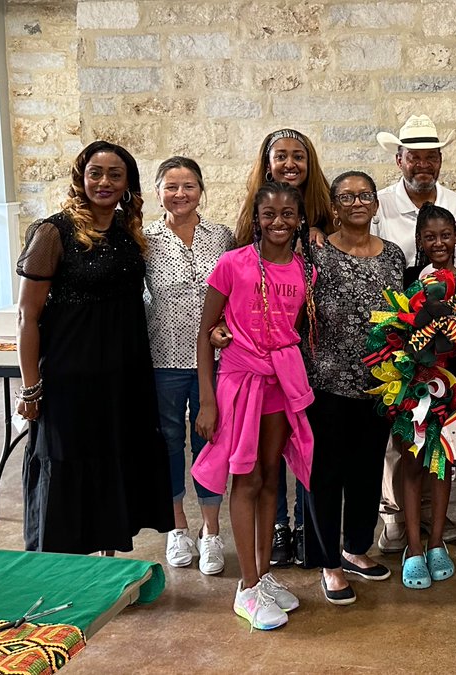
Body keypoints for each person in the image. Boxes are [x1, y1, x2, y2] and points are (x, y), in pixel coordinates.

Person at [15, 140, 173, 554]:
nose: (103, 182)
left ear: (128, 184)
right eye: (95, 173)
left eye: (114, 175)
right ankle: (67, 565)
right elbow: (26, 316)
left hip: (124, 370)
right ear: (81, 177)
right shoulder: (53, 232)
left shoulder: (127, 230)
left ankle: (108, 556)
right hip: (72, 371)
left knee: (117, 455)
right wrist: (30, 387)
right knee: (68, 459)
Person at [192, 181, 316, 630]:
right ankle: (245, 587)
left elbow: (290, 327)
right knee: (244, 479)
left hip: (280, 384)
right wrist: (207, 400)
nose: (279, 222)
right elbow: (206, 334)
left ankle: (262, 574)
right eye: (269, 214)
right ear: (256, 217)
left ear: (300, 218)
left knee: (270, 477)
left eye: (288, 213)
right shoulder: (232, 264)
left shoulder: (305, 270)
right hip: (239, 383)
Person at [371, 114, 456, 553]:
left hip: (447, 341)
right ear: (399, 159)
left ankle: (436, 513)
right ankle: (395, 516)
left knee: (440, 426)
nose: (422, 165)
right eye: (413, 156)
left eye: (430, 157)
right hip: (399, 335)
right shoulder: (378, 204)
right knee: (401, 434)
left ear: (440, 161)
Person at [300, 172, 406, 604]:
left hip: (378, 385)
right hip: (325, 381)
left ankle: (355, 548)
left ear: (376, 205)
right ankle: (328, 562)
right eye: (347, 196)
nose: (358, 202)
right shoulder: (316, 251)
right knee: (325, 473)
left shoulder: (394, 256)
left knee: (367, 471)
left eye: (365, 195)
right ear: (335, 205)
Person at [236, 128, 332, 568]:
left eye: (299, 157)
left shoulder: (325, 223)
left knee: (305, 443)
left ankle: (304, 523)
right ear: (267, 162)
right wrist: (221, 331)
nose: (290, 164)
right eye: (281, 157)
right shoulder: (249, 228)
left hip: (313, 355)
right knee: (266, 452)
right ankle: (274, 527)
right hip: (263, 358)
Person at [143, 156, 235, 575]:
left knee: (210, 442)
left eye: (188, 186)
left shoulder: (221, 236)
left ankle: (211, 532)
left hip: (215, 360)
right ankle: (176, 526)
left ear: (201, 190)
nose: (180, 194)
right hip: (162, 358)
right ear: (158, 191)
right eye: (171, 186)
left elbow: (238, 291)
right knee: (165, 443)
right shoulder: (145, 240)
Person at [399, 202, 456, 588]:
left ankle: (437, 542)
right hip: (411, 385)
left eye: (445, 235)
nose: (439, 242)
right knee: (413, 461)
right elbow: (396, 330)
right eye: (430, 236)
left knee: (442, 462)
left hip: (452, 385)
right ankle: (413, 546)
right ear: (420, 240)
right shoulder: (407, 278)